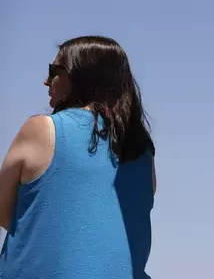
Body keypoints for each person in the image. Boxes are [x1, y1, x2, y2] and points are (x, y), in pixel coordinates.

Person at [0, 36, 156, 278]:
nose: (46, 80)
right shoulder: (144, 150)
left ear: (82, 76)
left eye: (54, 71)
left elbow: (4, 211)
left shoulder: (43, 130)